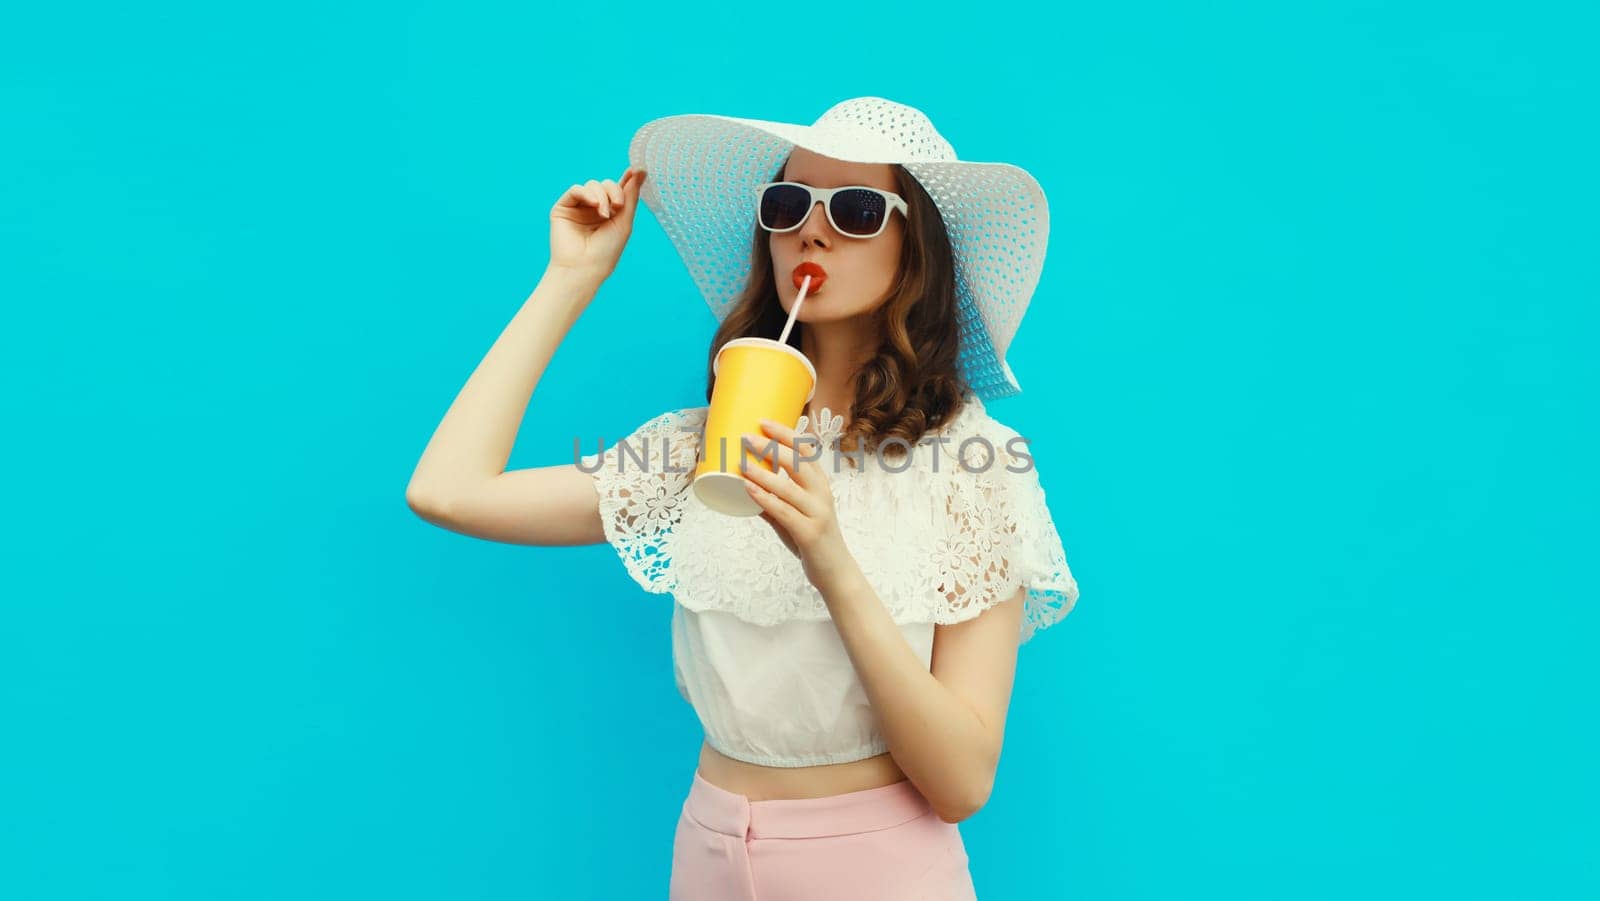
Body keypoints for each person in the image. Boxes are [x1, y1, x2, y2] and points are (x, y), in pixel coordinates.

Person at [406, 96, 1080, 900]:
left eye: (858, 209)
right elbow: (448, 491)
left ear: (916, 251)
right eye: (788, 203)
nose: (813, 230)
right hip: (710, 853)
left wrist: (830, 559)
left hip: (879, 869)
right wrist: (571, 277)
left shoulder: (973, 464)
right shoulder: (700, 446)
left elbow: (962, 782)